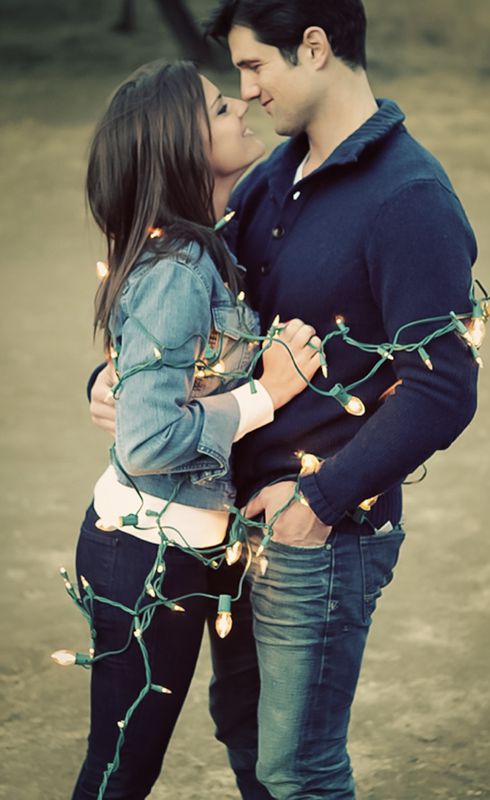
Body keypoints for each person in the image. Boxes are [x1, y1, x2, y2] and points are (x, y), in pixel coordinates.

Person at [90, 1, 479, 797]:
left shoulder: (409, 197)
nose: (246, 89)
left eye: (254, 66)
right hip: (236, 523)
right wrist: (109, 383)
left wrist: (320, 498)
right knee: (243, 729)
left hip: (320, 534)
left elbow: (442, 385)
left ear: (313, 48)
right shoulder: (272, 179)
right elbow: (177, 314)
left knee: (297, 769)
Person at [70, 59, 323, 799]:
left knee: (202, 745)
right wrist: (266, 394)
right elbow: (146, 445)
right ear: (182, 142)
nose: (240, 107)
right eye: (219, 108)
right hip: (147, 557)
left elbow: (162, 375)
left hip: (197, 547)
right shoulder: (179, 265)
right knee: (122, 768)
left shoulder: (203, 246)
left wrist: (108, 383)